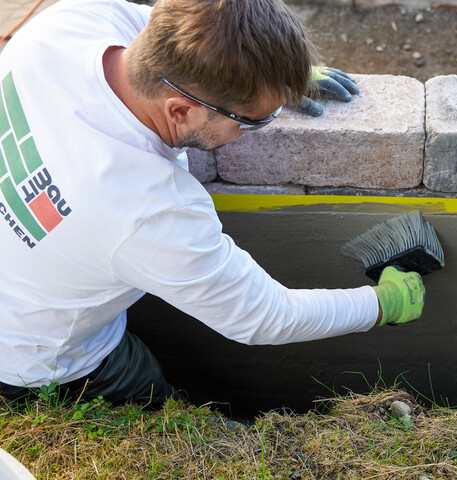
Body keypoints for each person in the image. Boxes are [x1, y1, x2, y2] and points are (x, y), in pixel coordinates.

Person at [0, 0, 426, 407]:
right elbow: (264, 317)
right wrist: (381, 303)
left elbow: (187, 30)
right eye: (252, 121)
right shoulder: (146, 209)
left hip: (27, 273)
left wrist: (264, 81)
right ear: (180, 110)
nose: (256, 129)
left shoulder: (71, 22)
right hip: (40, 359)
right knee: (153, 404)